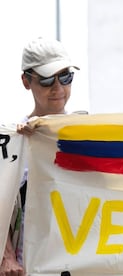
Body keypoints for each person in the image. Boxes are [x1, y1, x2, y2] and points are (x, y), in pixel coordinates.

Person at [0, 37, 79, 276]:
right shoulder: (13, 143)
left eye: (65, 77)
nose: (58, 88)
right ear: (26, 81)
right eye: (46, 80)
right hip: (28, 267)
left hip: (77, 264)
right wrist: (7, 256)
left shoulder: (89, 135)